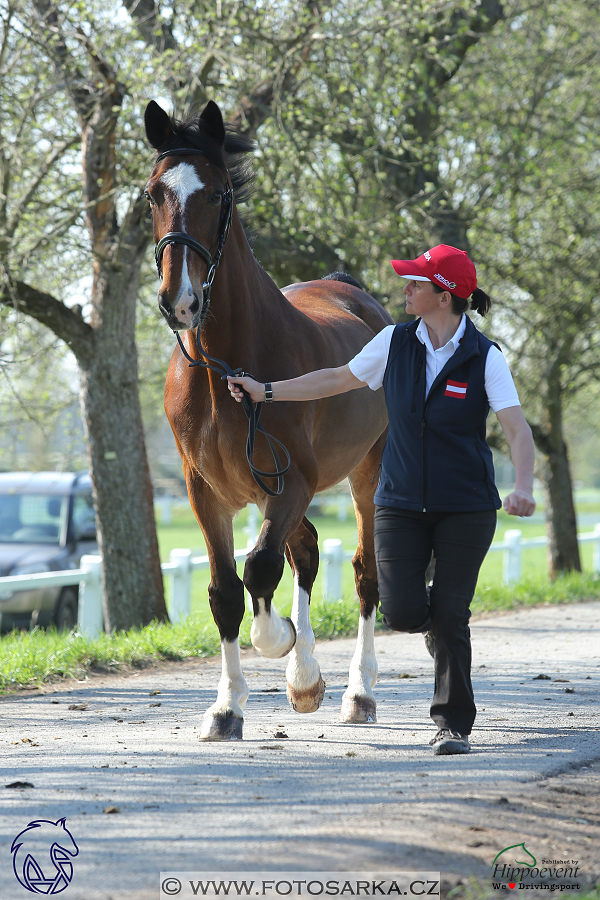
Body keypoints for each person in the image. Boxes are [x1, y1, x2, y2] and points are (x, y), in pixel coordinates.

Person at [227, 244, 535, 756]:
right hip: (400, 503)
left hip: (466, 506)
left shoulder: (486, 357)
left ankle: (452, 724)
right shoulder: (392, 341)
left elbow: (517, 430)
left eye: (417, 282)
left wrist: (522, 486)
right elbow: (336, 379)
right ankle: (436, 624)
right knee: (403, 611)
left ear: (445, 295)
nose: (406, 289)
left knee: (452, 614)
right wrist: (266, 391)